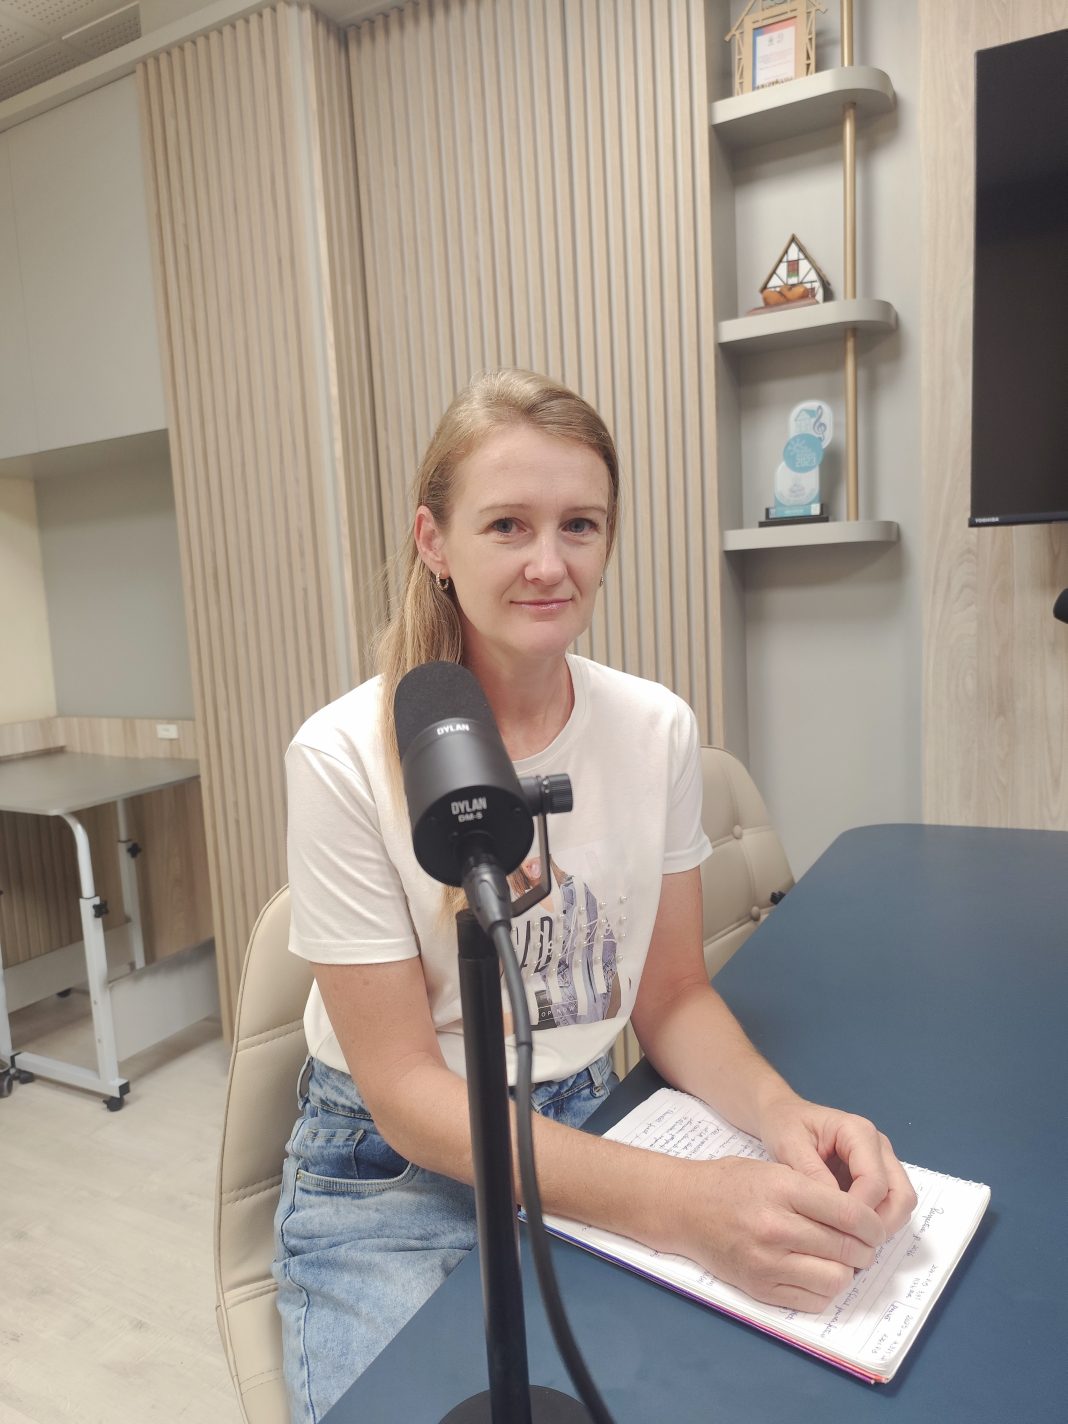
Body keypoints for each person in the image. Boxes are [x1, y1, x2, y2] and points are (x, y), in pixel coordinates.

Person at [273, 368, 917, 1423]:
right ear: (434, 541)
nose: (549, 562)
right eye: (507, 525)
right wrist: (690, 1206)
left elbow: (672, 996)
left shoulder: (655, 727)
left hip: (590, 1116)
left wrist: (783, 1116)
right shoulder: (340, 754)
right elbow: (403, 1088)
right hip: (394, 1172)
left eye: (580, 524)